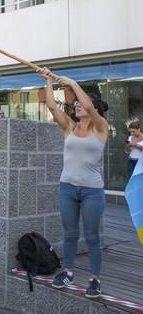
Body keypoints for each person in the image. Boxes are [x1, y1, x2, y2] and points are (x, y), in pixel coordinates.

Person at [38, 67, 109, 299]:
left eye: (80, 103)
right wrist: (48, 80)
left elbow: (87, 105)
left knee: (91, 236)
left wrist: (71, 83)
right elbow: (51, 106)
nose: (77, 106)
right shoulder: (69, 126)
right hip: (67, 187)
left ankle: (95, 279)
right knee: (69, 233)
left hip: (92, 191)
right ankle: (67, 271)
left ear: (95, 110)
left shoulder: (101, 128)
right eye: (75, 104)